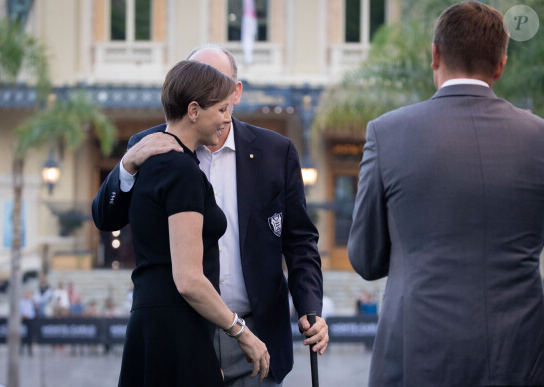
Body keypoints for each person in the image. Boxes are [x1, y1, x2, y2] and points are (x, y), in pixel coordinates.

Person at [92, 45, 328, 386]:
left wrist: (310, 307)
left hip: (255, 333)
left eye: (218, 83)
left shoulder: (276, 151)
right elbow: (105, 218)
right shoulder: (150, 145)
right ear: (189, 103)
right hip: (184, 333)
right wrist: (126, 165)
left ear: (235, 91)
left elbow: (300, 242)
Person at [347, 2, 544, 386]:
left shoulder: (387, 133)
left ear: (435, 54)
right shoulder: (539, 137)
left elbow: (366, 258)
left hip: (415, 355)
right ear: (501, 65)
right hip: (521, 354)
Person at [110, 60, 269, 386]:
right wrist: (242, 332)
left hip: (152, 327)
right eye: (222, 109)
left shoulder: (151, 163)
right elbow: (188, 279)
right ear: (194, 110)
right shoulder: (181, 172)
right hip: (177, 331)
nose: (228, 118)